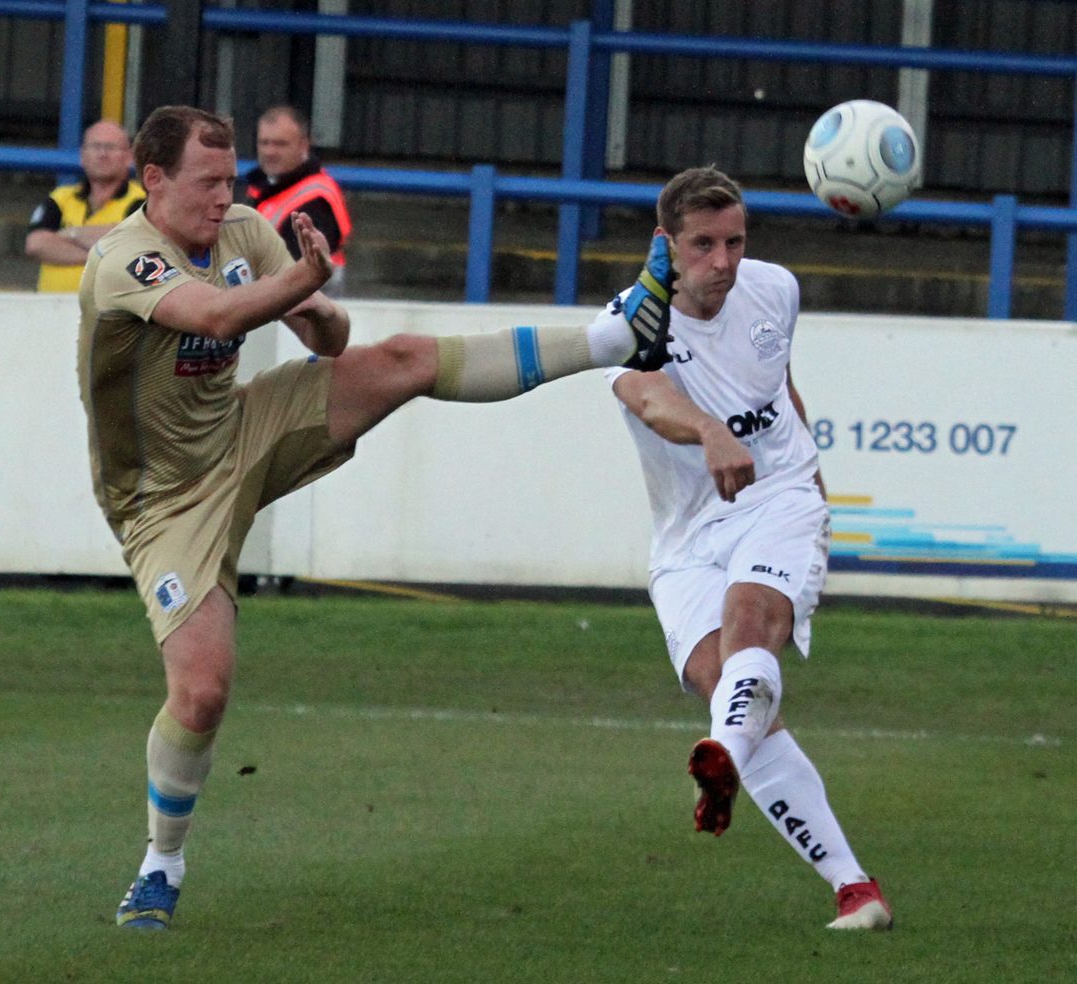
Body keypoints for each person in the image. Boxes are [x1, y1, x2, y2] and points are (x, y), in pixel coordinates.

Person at [77, 104, 668, 930]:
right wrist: (296, 284)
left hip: (243, 429)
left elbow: (328, 336)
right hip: (163, 497)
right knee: (203, 692)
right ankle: (161, 862)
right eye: (208, 182)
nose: (225, 197)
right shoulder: (123, 260)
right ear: (152, 180)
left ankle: (613, 338)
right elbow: (213, 317)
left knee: (402, 359)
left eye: (231, 179)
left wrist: (315, 302)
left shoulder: (247, 230)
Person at [603, 166, 893, 931]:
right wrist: (708, 429)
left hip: (780, 497)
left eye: (735, 241)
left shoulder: (775, 289)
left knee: (750, 625)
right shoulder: (631, 319)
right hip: (687, 536)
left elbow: (779, 384)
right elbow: (646, 395)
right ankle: (855, 889)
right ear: (665, 245)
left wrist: (814, 486)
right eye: (704, 245)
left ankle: (721, 757)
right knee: (728, 685)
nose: (724, 261)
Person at [238, 105, 351, 295]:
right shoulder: (265, 187)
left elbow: (295, 271)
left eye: (280, 144)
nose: (269, 152)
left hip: (305, 309)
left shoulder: (315, 198)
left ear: (304, 145)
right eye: (264, 143)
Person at [25, 119, 146, 291]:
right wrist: (104, 253)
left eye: (111, 147)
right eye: (96, 147)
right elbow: (35, 244)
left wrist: (71, 234)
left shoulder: (142, 200)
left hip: (112, 314)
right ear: (83, 156)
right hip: (50, 312)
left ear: (129, 157)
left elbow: (129, 244)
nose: (103, 154)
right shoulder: (61, 197)